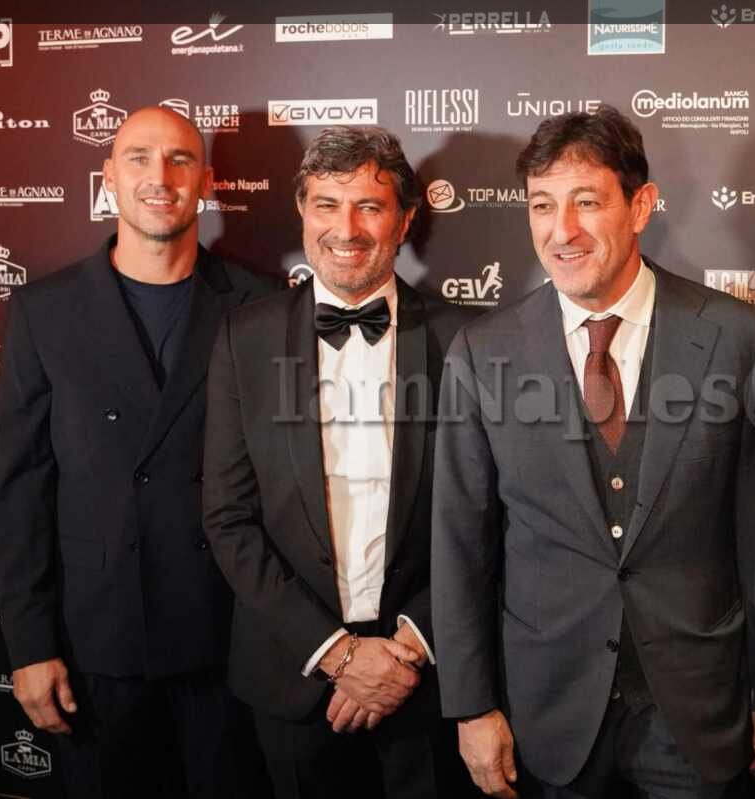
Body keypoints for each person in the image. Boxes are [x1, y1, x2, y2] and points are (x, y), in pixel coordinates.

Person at [432, 104, 755, 798]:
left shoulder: (735, 337)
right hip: (548, 713)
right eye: (542, 205)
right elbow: (460, 544)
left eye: (586, 202)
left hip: (698, 711)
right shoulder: (482, 351)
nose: (562, 231)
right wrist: (470, 705)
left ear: (640, 205)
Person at [0, 106, 276, 797]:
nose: (159, 176)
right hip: (97, 647)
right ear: (108, 177)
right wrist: (30, 646)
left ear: (207, 182)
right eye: (139, 158)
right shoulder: (43, 311)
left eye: (180, 159)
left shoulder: (260, 306)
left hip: (228, 644)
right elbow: (20, 494)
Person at [201, 125, 475, 799]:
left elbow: (487, 515)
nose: (345, 229)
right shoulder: (244, 338)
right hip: (293, 677)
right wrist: (340, 654)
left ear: (404, 220)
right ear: (302, 211)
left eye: (369, 206)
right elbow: (228, 518)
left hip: (427, 677)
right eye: (326, 204)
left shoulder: (467, 341)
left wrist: (409, 646)